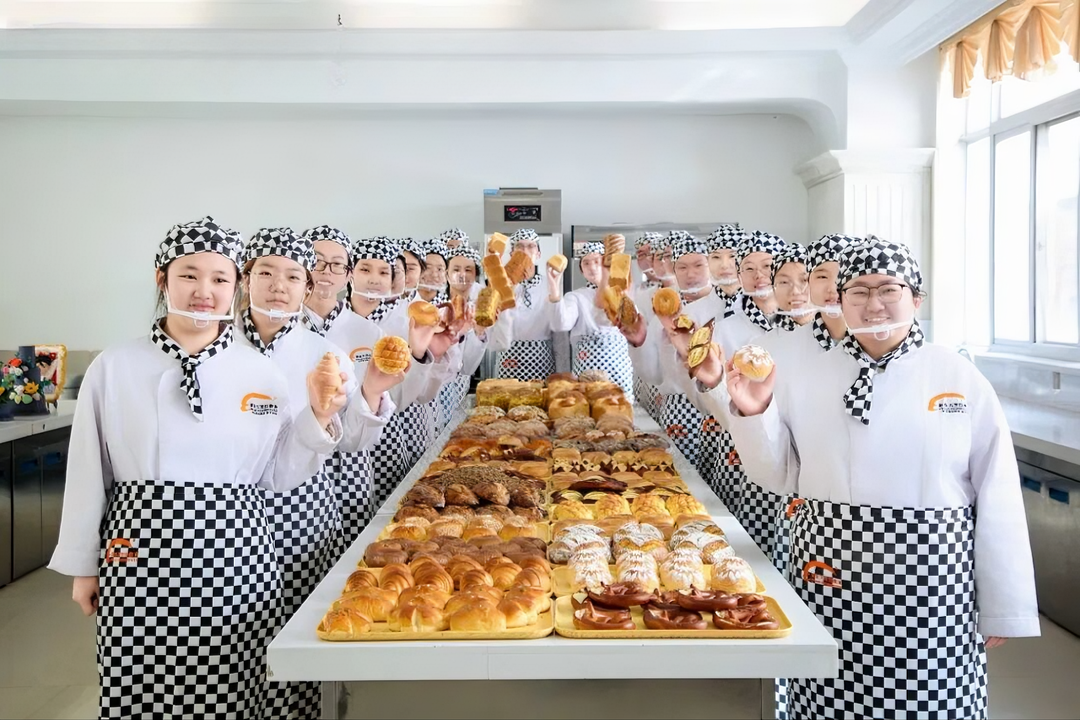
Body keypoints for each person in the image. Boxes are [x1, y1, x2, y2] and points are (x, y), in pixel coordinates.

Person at [725, 236, 1039, 719]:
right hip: (830, 574)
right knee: (829, 696)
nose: (873, 305)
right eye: (858, 291)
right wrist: (753, 412)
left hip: (933, 582)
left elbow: (998, 492)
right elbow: (778, 473)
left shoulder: (957, 375)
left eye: (889, 289)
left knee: (932, 698)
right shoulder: (802, 373)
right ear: (839, 300)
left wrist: (1005, 603)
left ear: (916, 299)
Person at [49, 216, 344, 718]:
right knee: (140, 686)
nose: (204, 291)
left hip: (237, 557)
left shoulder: (261, 374)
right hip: (137, 557)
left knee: (232, 686)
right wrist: (83, 565)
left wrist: (316, 418)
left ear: (235, 286)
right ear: (162, 279)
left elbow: (278, 475)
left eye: (219, 278)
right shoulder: (115, 366)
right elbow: (87, 471)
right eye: (189, 275)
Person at [237, 227, 400, 718]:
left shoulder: (320, 351)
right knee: (243, 636)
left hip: (305, 507)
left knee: (306, 626)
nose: (278, 286)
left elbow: (351, 438)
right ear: (245, 279)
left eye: (292, 276)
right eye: (265, 273)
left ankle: (309, 711)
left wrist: (371, 391)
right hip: (233, 514)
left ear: (306, 286)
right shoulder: (219, 352)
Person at [548, 241, 633, 398]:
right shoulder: (576, 296)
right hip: (586, 366)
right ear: (581, 270)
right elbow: (561, 324)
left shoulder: (622, 293)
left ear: (606, 265)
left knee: (620, 407)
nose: (592, 267)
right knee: (587, 406)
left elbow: (632, 326)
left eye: (596, 261)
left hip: (618, 367)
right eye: (586, 263)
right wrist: (554, 289)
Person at [494, 228, 558, 381]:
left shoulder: (550, 285)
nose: (525, 251)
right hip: (509, 356)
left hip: (542, 358)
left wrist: (562, 369)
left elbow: (558, 332)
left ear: (538, 254)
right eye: (519, 246)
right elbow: (495, 325)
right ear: (512, 254)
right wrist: (511, 285)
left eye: (531, 246)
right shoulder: (501, 285)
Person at [705, 224, 744, 308]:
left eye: (732, 256)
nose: (724, 265)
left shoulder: (765, 306)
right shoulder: (694, 310)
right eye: (716, 257)